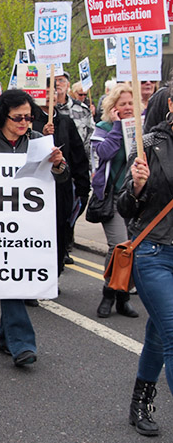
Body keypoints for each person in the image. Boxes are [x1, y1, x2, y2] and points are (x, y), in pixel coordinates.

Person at [0, 89, 68, 367]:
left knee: (12, 278)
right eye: (18, 118)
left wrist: (59, 166)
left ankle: (6, 338)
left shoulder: (39, 142)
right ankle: (22, 343)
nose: (25, 123)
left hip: (27, 226)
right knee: (7, 276)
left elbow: (61, 180)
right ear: (3, 116)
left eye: (28, 117)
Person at [117, 86, 173, 436]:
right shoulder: (149, 144)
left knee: (159, 331)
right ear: (171, 104)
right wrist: (137, 187)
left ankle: (140, 400)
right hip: (153, 251)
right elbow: (124, 206)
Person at [91, 83, 139, 319]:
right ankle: (108, 293)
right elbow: (104, 153)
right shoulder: (103, 128)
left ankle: (123, 297)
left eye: (131, 103)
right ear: (113, 107)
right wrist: (118, 126)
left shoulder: (142, 128)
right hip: (112, 197)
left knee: (133, 249)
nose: (128, 107)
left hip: (137, 197)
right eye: (123, 104)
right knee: (118, 246)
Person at [32, 82, 91, 273]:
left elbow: (78, 155)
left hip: (61, 188)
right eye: (45, 92)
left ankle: (53, 274)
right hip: (36, 190)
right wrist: (42, 135)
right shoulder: (30, 122)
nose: (50, 96)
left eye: (53, 92)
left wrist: (82, 188)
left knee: (59, 231)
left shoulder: (65, 121)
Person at [55, 72, 95, 159]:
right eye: (54, 80)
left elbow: (90, 139)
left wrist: (93, 167)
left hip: (78, 162)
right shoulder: (44, 110)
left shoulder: (82, 109)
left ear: (68, 84)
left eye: (61, 80)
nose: (57, 83)